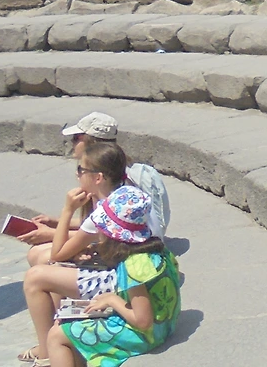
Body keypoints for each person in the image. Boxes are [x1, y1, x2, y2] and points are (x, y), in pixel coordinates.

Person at [25, 179, 181, 367]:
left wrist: (112, 300)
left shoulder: (134, 266)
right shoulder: (154, 249)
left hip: (148, 334)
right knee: (65, 322)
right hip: (164, 322)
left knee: (56, 336)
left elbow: (143, 321)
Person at [20, 141, 133, 364]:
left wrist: (67, 210)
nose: (77, 175)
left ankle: (47, 353)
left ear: (98, 177)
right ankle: (53, 342)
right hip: (125, 271)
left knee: (36, 276)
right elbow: (98, 237)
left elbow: (58, 253)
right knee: (52, 269)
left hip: (118, 281)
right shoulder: (123, 195)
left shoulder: (102, 213)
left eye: (81, 170)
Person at [23, 113, 170, 259]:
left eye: (76, 138)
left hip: (128, 253)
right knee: (37, 253)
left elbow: (100, 229)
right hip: (123, 244)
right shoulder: (112, 176)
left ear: (91, 142)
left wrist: (56, 227)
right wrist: (55, 222)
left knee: (42, 257)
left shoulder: (116, 186)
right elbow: (101, 223)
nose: (72, 142)